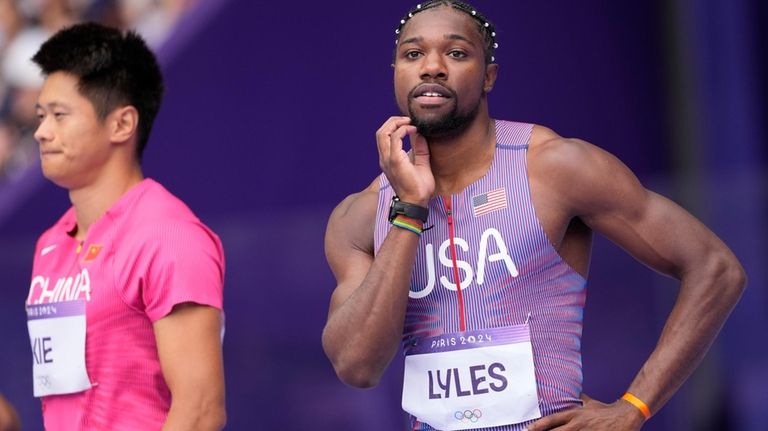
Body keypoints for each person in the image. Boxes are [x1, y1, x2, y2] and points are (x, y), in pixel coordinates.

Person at [321, 1, 746, 430]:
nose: (432, 67)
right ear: (395, 71)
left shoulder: (556, 167)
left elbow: (716, 268)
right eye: (413, 54)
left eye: (456, 53)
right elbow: (357, 366)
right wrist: (409, 210)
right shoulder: (359, 217)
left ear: (489, 76)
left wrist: (634, 406)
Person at [26, 23, 226, 430]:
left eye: (60, 116)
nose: (42, 132)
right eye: (41, 116)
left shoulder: (169, 237)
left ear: (122, 124)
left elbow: (201, 411)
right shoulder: (49, 244)